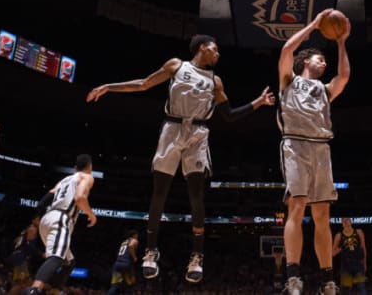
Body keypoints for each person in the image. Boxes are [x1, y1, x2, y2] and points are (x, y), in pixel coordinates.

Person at [86, 34, 275, 283]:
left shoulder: (216, 81)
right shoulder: (176, 65)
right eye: (215, 49)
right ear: (202, 48)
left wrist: (258, 102)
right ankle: (151, 251)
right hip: (172, 130)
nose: (218, 53)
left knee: (196, 195)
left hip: (198, 134)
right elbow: (143, 84)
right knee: (159, 193)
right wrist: (109, 87)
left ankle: (197, 255)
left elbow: (228, 115)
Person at [278, 9, 350, 295]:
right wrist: (314, 25)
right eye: (320, 58)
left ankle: (327, 280)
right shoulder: (288, 80)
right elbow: (286, 48)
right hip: (295, 144)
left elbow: (343, 76)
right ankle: (293, 277)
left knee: (322, 214)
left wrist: (342, 41)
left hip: (321, 149)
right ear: (306, 61)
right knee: (297, 205)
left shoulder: (325, 88)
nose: (325, 62)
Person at [21, 154, 97, 295]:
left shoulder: (64, 180)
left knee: (70, 261)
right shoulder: (87, 177)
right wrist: (91, 215)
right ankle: (34, 290)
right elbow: (80, 197)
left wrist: (37, 217)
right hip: (61, 219)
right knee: (56, 258)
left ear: (75, 168)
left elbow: (45, 199)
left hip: (47, 218)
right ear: (90, 167)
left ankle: (54, 290)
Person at [332, 218, 367, 295]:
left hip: (358, 263)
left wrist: (364, 263)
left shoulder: (359, 232)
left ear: (351, 222)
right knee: (345, 289)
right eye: (344, 221)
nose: (346, 222)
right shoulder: (339, 235)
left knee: (361, 287)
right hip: (346, 265)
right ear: (342, 224)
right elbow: (333, 253)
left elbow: (363, 248)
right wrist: (341, 248)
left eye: (347, 220)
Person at [108, 230, 139, 295]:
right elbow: (131, 246)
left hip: (117, 264)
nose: (137, 236)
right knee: (131, 284)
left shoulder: (123, 242)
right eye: (137, 235)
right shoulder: (134, 240)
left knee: (115, 285)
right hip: (126, 264)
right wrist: (134, 257)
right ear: (134, 235)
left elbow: (118, 253)